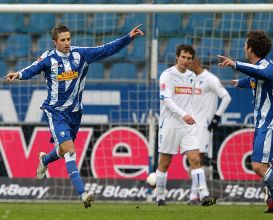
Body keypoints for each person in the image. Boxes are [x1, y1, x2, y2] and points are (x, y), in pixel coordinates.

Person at [4, 24, 144, 208]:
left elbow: (106, 49)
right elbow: (33, 68)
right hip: (56, 112)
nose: (67, 43)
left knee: (62, 151)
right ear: (55, 42)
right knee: (70, 150)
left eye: (68, 39)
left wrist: (128, 37)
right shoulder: (49, 58)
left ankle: (45, 159)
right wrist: (19, 74)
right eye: (62, 40)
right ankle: (83, 194)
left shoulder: (81, 55)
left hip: (75, 112)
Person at [217, 30, 273, 214]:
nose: (244, 47)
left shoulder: (267, 66)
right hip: (264, 123)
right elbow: (255, 79)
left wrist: (235, 64)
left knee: (258, 166)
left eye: (246, 44)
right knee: (263, 165)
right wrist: (240, 82)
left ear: (251, 48)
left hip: (272, 123)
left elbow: (265, 74)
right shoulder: (260, 68)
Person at [156, 44, 215, 206]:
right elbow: (166, 100)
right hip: (170, 124)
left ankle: (203, 195)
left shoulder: (192, 76)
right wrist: (184, 115)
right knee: (164, 163)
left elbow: (189, 102)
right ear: (177, 57)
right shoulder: (167, 75)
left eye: (189, 58)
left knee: (195, 159)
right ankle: (160, 197)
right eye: (183, 57)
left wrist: (192, 116)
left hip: (188, 126)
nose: (186, 61)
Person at [188, 57, 231, 204]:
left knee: (197, 159)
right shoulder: (190, 78)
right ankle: (194, 196)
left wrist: (216, 117)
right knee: (195, 160)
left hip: (204, 126)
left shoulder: (210, 79)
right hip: (191, 125)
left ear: (197, 63)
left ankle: (197, 195)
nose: (187, 64)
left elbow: (226, 97)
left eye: (190, 61)